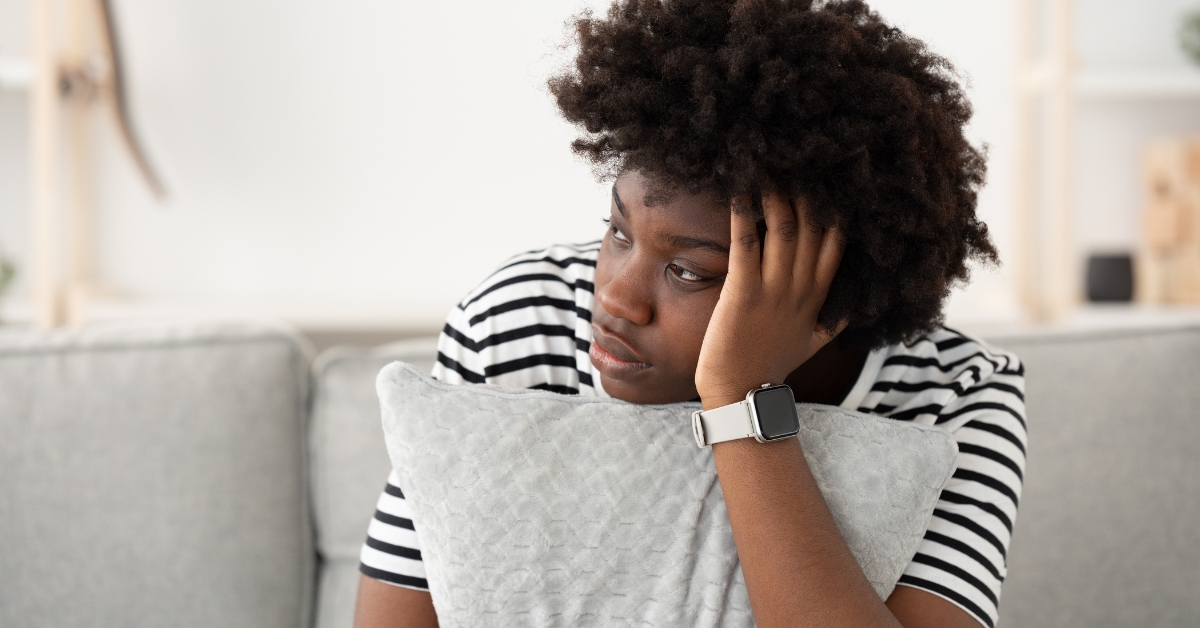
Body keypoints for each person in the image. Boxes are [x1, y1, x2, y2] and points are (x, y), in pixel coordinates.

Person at [354, 1, 1025, 627]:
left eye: (688, 271)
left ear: (831, 294)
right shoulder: (519, 325)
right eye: (616, 231)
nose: (615, 297)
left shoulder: (954, 396)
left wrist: (742, 400)